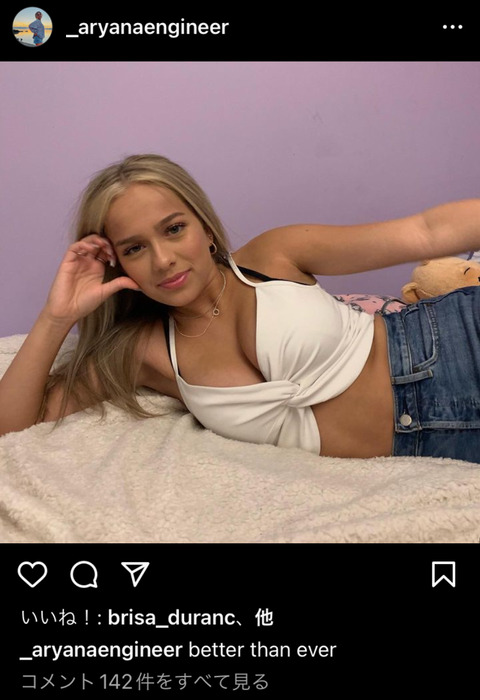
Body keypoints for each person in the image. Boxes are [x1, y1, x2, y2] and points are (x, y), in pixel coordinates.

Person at [1, 154, 480, 463]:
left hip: (456, 345)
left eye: (173, 229)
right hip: (435, 446)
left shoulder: (273, 256)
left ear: (205, 228)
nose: (163, 260)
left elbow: (426, 232)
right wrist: (56, 317)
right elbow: (12, 426)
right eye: (134, 248)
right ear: (117, 263)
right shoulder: (141, 352)